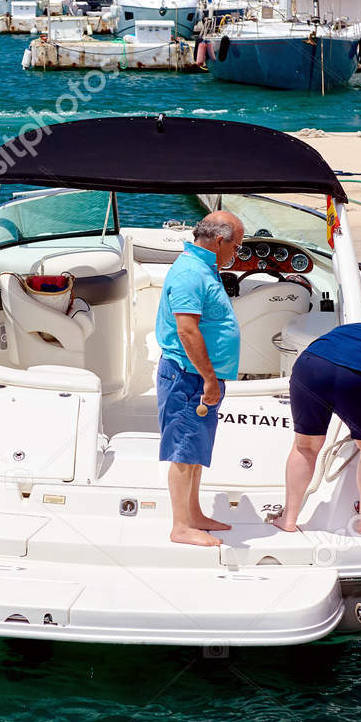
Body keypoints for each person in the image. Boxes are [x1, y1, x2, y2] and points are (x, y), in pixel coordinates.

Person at [273, 308, 361, 535]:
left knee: (305, 446)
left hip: (309, 366)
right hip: (357, 378)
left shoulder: (345, 330)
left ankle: (288, 518)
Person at [154, 210, 244, 546]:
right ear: (219, 241)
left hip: (200, 377)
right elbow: (187, 331)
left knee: (195, 450)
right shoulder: (191, 273)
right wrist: (208, 378)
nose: (237, 253)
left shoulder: (205, 267)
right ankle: (181, 527)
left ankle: (193, 514)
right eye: (237, 246)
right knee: (183, 451)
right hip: (187, 376)